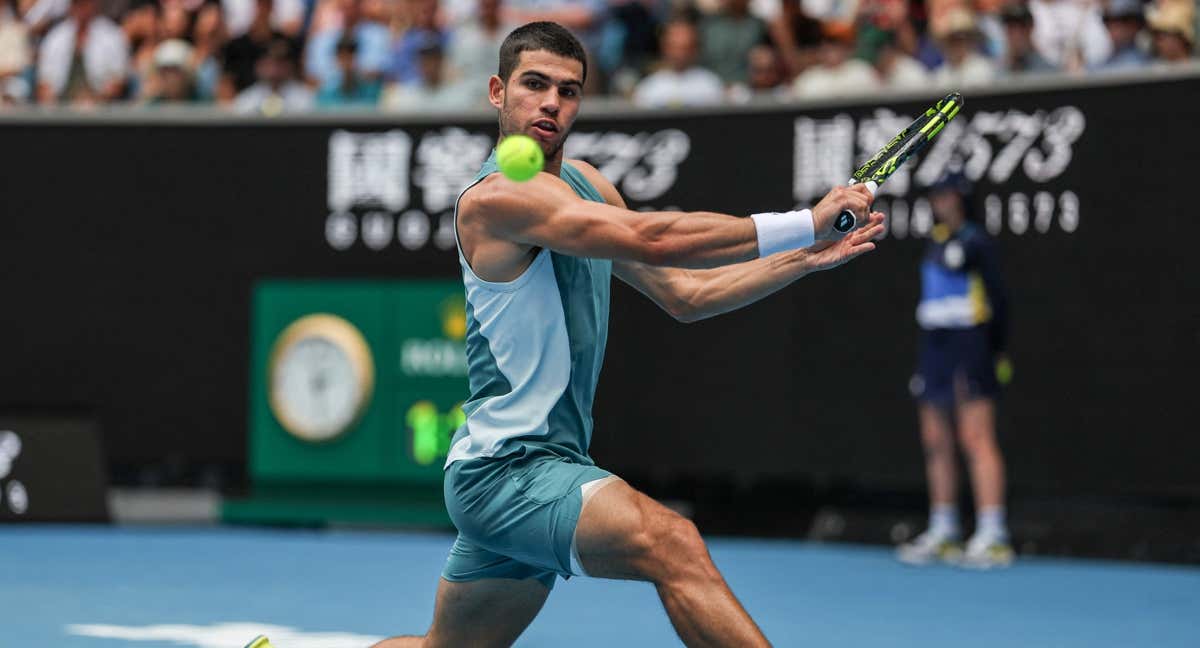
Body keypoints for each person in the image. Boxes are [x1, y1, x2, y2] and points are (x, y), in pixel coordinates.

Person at [242, 20, 882, 648]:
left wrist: (805, 256)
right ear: (498, 93)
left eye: (568, 90)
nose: (551, 101)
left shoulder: (586, 185)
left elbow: (685, 294)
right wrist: (803, 221)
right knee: (673, 544)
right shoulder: (496, 200)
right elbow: (651, 237)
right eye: (535, 84)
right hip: (508, 471)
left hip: (541, 463)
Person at [896, 172, 1013, 570]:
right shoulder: (935, 241)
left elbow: (999, 301)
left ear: (961, 199)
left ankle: (993, 533)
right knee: (935, 438)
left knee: (976, 438)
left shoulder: (977, 242)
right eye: (935, 196)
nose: (938, 202)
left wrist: (996, 352)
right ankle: (944, 529)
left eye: (945, 195)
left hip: (970, 344)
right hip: (934, 346)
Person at [632, 19, 725, 107]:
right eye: (674, 47)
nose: (680, 54)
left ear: (695, 49)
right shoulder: (648, 88)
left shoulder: (711, 85)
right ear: (664, 47)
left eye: (686, 48)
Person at [1093, 0, 1150, 71]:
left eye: (1124, 20)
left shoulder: (1145, 64)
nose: (1113, 26)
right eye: (1107, 20)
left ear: (1137, 24)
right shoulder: (1098, 63)